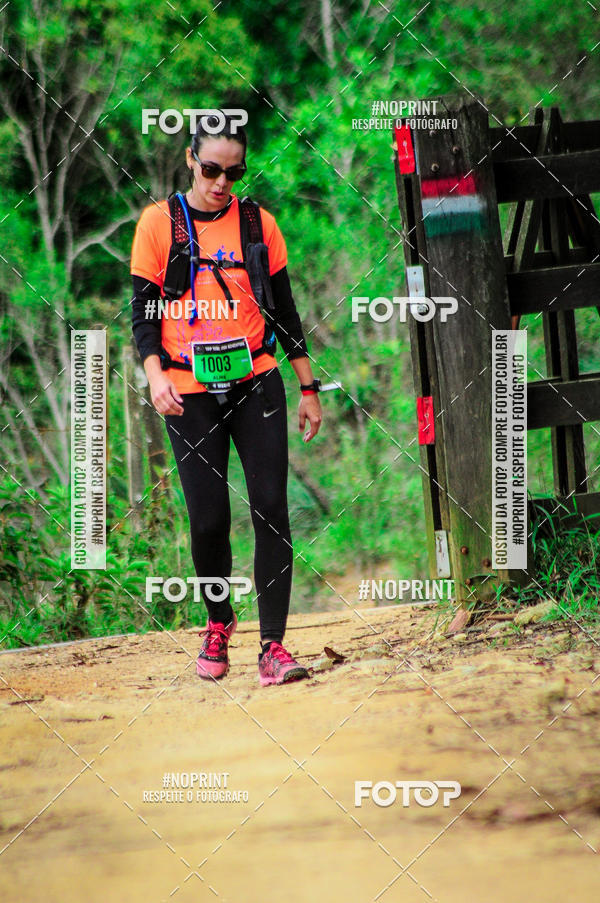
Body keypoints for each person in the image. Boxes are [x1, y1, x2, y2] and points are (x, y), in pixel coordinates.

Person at [130, 114, 322, 686]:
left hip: (257, 380)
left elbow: (285, 313)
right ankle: (218, 622)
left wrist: (308, 387)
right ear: (190, 159)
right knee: (209, 519)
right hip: (188, 390)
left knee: (271, 508)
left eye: (232, 172)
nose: (221, 182)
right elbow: (143, 315)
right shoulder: (159, 224)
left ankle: (274, 646)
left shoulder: (259, 224)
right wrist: (154, 374)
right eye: (211, 169)